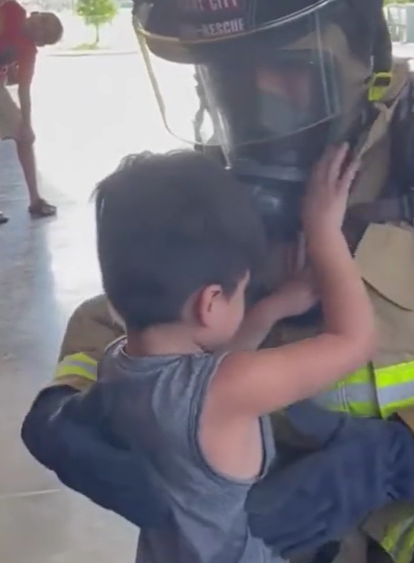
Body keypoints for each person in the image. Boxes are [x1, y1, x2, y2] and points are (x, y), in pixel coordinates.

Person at [21, 0, 414, 563]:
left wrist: (407, 454)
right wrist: (65, 406)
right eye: (228, 74)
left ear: (359, 40)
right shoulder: (209, 179)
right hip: (272, 519)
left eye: (287, 66)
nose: (256, 98)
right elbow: (141, 312)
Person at [83, 147, 375, 563]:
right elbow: (355, 341)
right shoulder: (225, 389)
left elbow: (206, 371)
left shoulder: (117, 364)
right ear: (211, 301)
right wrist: (323, 229)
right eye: (243, 288)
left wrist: (272, 308)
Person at [0, 0, 63, 225]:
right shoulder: (13, 11)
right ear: (36, 13)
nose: (39, 25)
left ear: (40, 43)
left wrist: (27, 124)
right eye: (43, 20)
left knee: (24, 137)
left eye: (44, 32)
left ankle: (35, 199)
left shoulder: (28, 52)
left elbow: (24, 90)